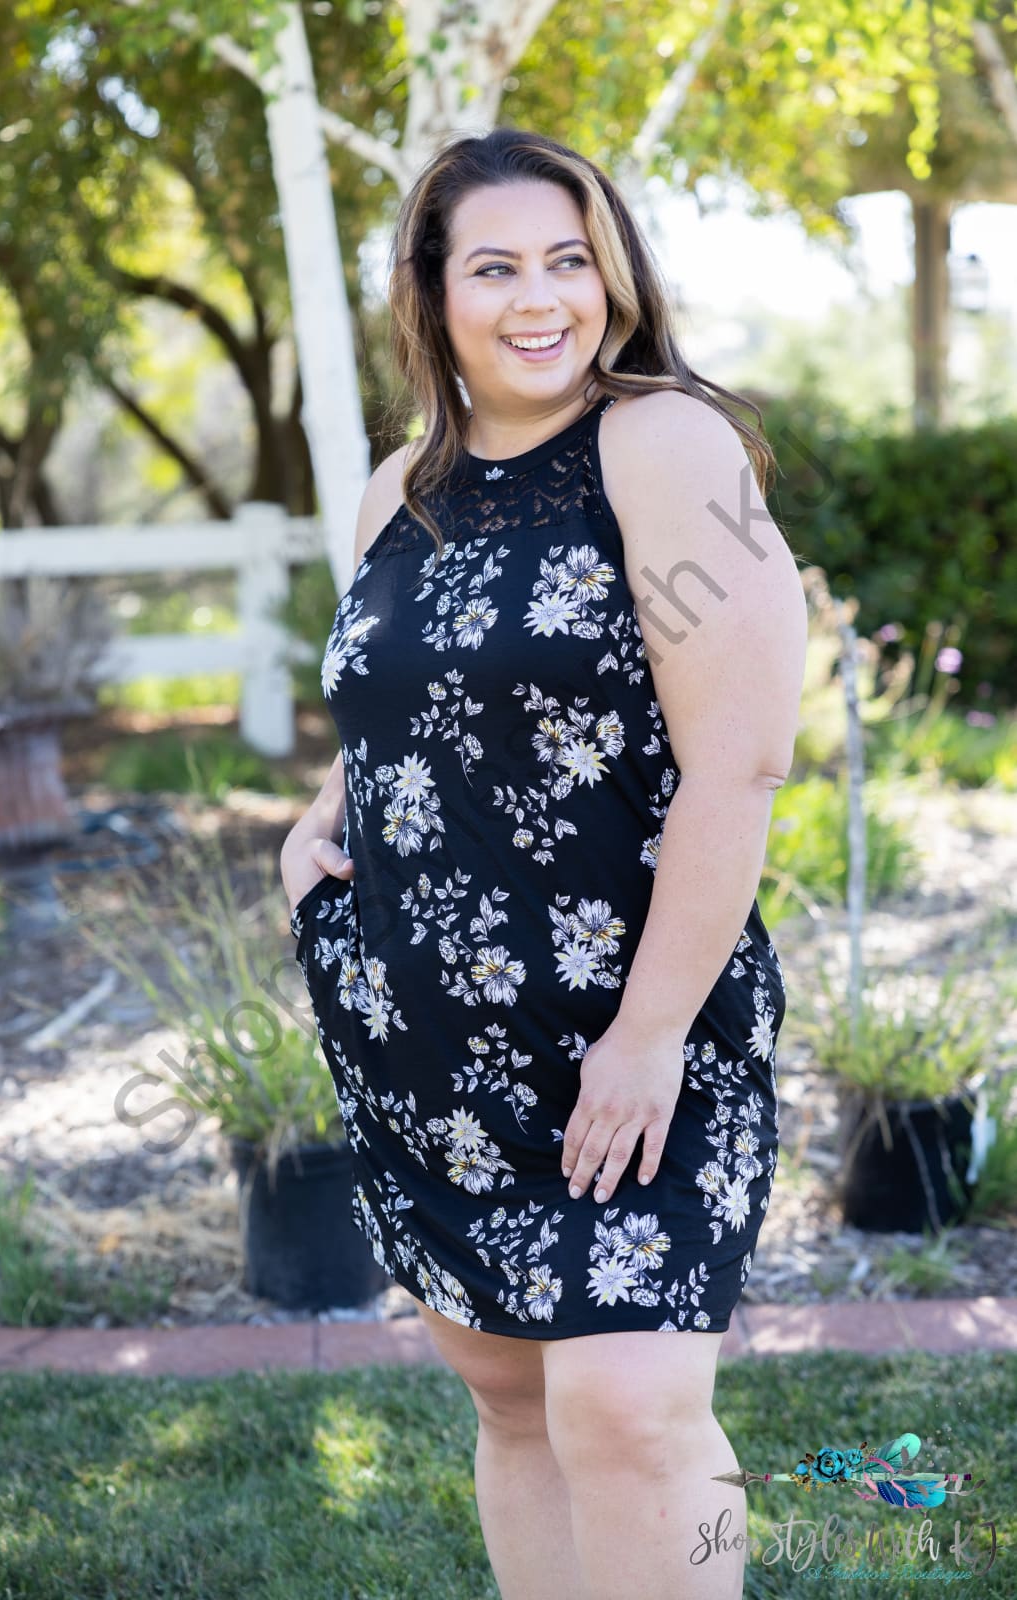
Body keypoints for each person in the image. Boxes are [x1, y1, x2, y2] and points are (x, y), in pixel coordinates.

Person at [280, 126, 807, 1600]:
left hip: (630, 1024)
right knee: (513, 1401)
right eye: (495, 265)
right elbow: (406, 694)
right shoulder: (403, 486)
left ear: (616, 278)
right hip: (424, 1040)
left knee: (631, 1408)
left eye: (570, 260)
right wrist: (316, 820)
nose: (539, 298)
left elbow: (739, 762)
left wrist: (646, 1040)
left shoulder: (664, 443)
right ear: (432, 295)